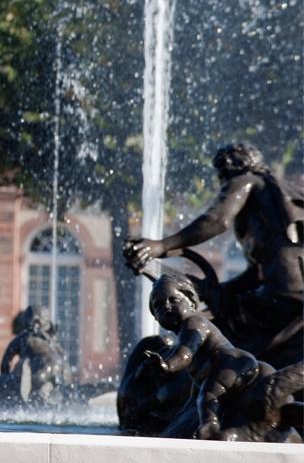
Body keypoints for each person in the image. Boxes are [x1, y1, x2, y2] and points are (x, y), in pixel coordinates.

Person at [124, 143, 304, 346]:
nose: (221, 181)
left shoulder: (245, 180)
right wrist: (215, 290)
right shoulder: (283, 193)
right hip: (295, 291)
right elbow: (260, 272)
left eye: (221, 173)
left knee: (216, 340)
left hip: (279, 295)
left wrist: (161, 245)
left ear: (231, 168)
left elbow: (217, 220)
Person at [143, 273, 272, 439]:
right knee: (202, 394)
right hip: (230, 368)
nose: (166, 306)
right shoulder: (184, 330)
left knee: (209, 395)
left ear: (191, 301)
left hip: (231, 363)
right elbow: (196, 388)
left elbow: (185, 354)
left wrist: (167, 366)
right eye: (158, 305)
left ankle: (210, 425)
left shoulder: (194, 322)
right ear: (155, 315)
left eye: (173, 300)